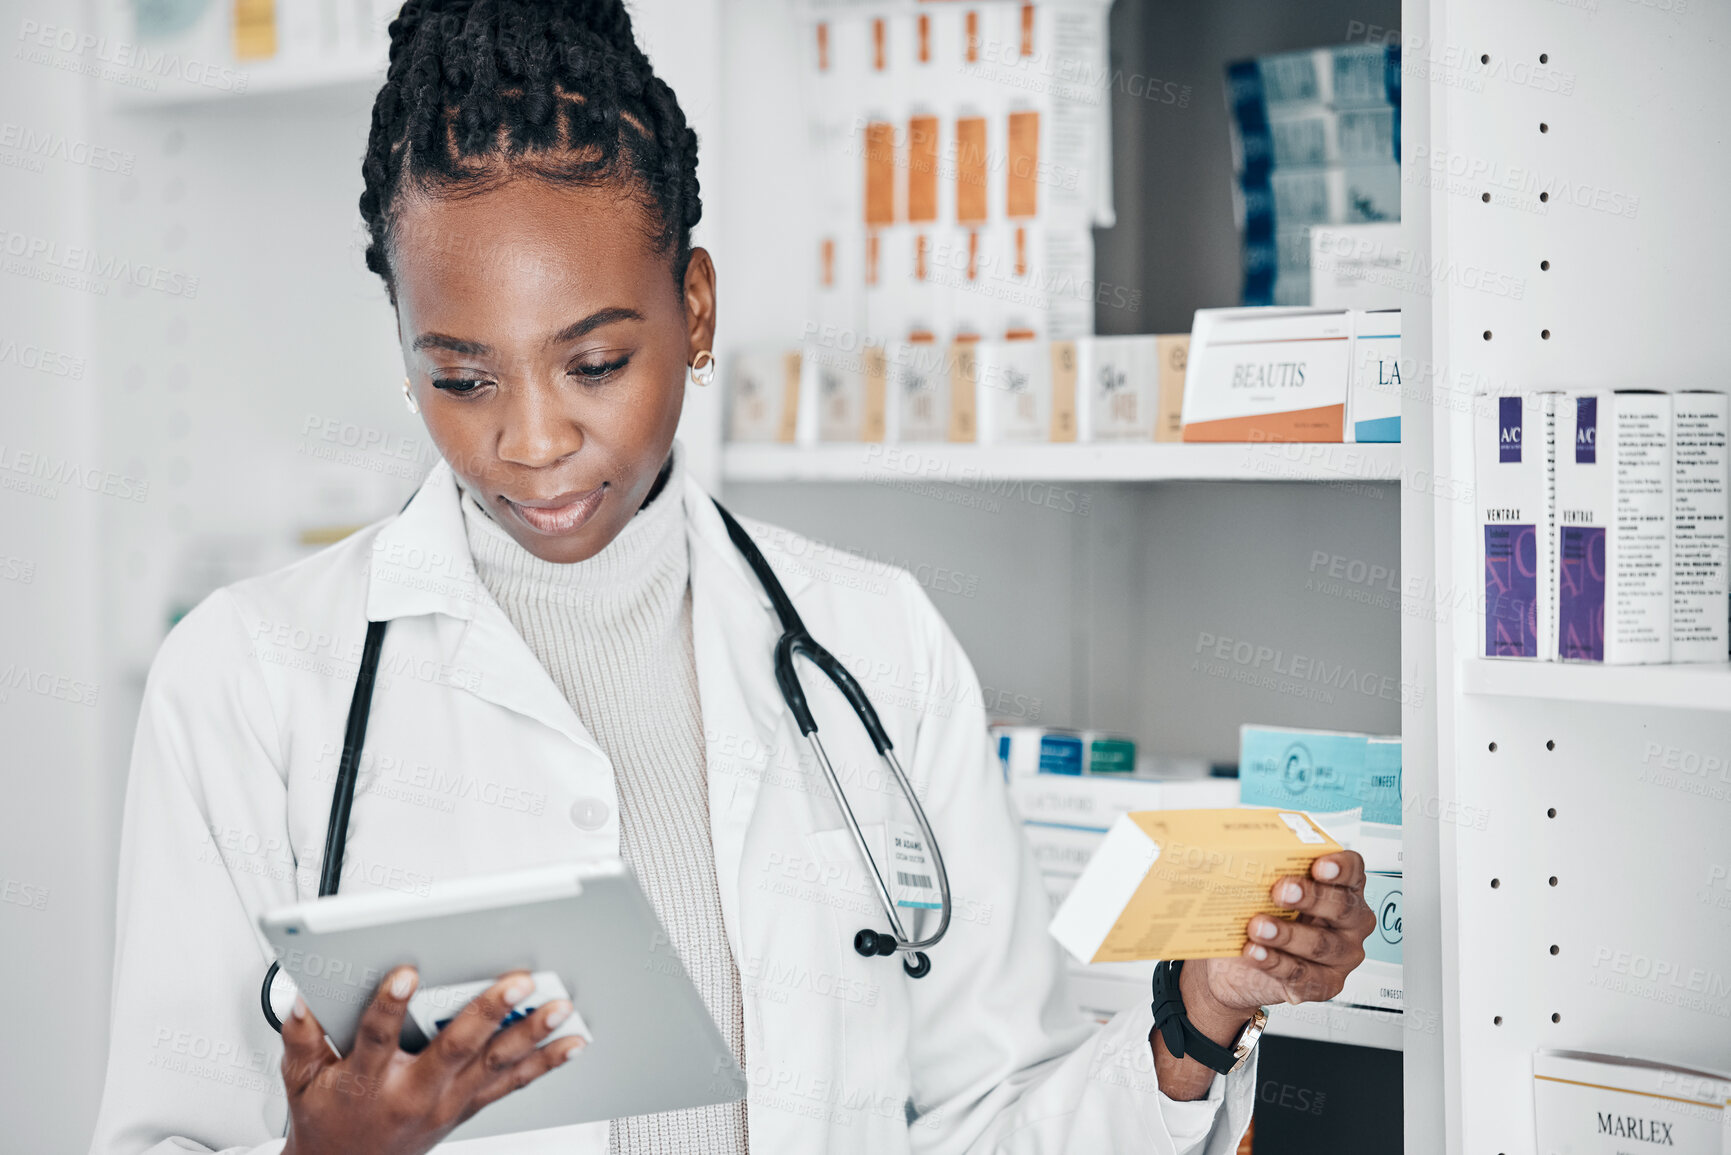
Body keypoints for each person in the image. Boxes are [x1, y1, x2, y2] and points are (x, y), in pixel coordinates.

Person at [88, 2, 1375, 1152]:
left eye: (594, 363)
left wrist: (1200, 1015)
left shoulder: (877, 642)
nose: (529, 441)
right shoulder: (250, 682)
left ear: (695, 310)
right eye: (462, 378)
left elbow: (994, 1118)